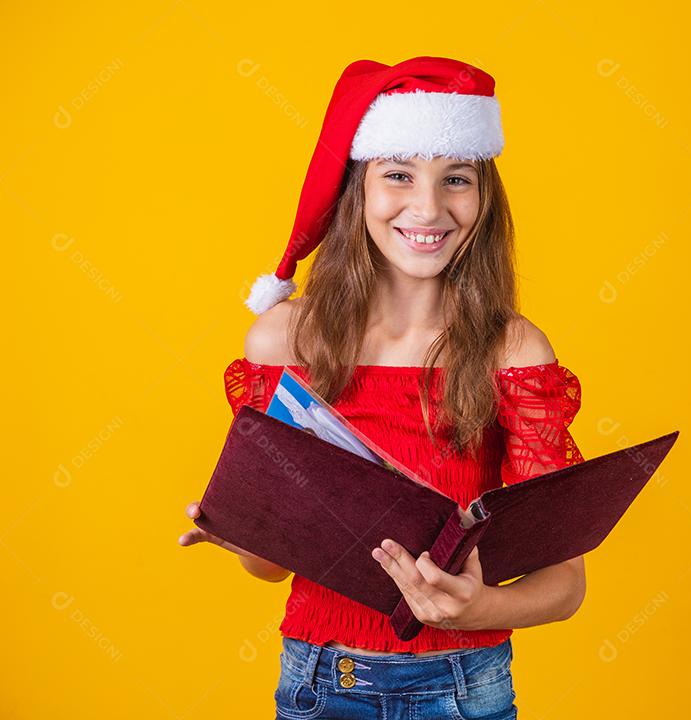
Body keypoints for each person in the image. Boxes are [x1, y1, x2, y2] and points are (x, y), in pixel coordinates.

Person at [177, 56, 587, 719]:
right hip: (319, 682)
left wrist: (481, 607)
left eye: (456, 179)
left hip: (465, 687)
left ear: (483, 199)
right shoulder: (285, 341)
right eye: (397, 175)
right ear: (357, 192)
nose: (428, 207)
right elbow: (271, 569)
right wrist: (248, 533)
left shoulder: (514, 350)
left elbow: (566, 584)